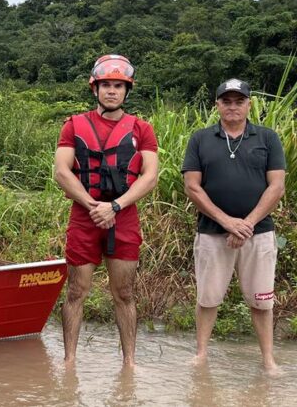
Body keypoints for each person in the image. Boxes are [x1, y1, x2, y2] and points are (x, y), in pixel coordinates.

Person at [53, 54, 159, 366]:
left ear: (127, 90)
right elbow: (62, 171)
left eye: (118, 86)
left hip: (123, 216)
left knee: (124, 293)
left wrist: (115, 206)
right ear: (95, 88)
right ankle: (69, 362)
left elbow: (150, 176)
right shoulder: (73, 125)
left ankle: (129, 364)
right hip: (85, 215)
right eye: (106, 85)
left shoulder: (142, 129)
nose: (112, 91)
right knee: (76, 291)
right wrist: (93, 206)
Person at [182, 78, 285, 373]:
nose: (232, 106)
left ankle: (268, 360)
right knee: (208, 298)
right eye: (226, 101)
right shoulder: (200, 139)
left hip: (259, 232)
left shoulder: (267, 138)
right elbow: (192, 186)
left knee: (262, 301)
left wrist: (246, 224)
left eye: (239, 101)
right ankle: (201, 354)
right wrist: (226, 221)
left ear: (249, 104)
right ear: (217, 105)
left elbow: (276, 186)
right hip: (211, 233)